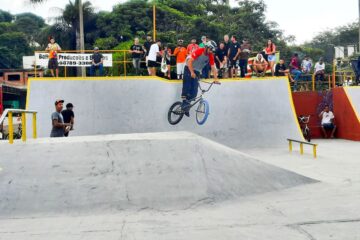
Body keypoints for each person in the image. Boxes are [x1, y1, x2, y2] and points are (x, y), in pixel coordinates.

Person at [181, 41, 219, 117]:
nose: (211, 52)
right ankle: (184, 103)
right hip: (189, 68)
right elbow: (189, 61)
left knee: (194, 92)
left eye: (212, 50)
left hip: (197, 71)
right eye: (210, 50)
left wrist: (215, 79)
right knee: (187, 86)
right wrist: (191, 72)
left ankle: (187, 106)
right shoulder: (199, 51)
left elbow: (213, 67)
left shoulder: (210, 55)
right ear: (207, 47)